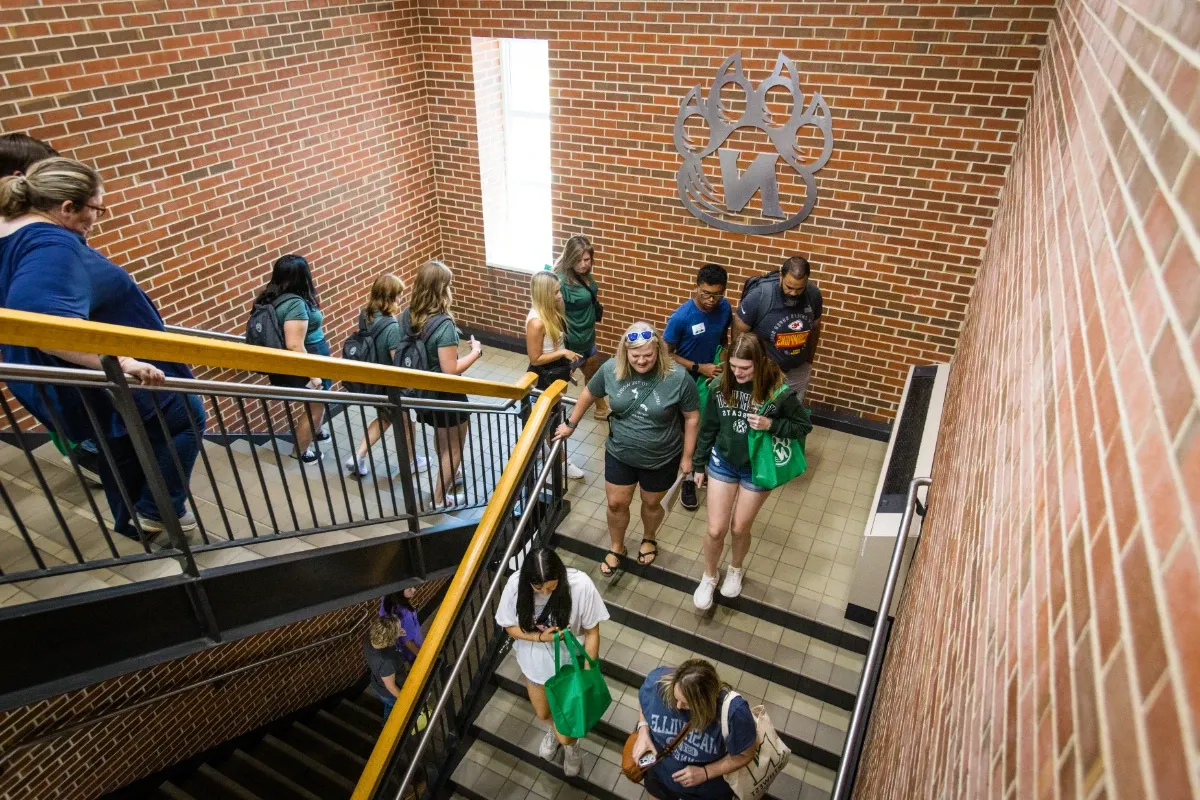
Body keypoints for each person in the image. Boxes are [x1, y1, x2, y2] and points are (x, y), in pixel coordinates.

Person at [0, 157, 203, 536]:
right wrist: (123, 360)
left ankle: (135, 521)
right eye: (97, 207)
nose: (97, 217)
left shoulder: (11, 230)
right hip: (95, 374)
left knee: (120, 441)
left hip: (67, 381)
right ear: (66, 208)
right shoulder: (51, 242)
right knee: (186, 416)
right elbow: (45, 325)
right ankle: (158, 511)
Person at [554, 322, 700, 575]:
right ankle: (616, 547)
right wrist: (571, 423)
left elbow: (692, 417)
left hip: (662, 456)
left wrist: (688, 457)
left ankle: (649, 537)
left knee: (652, 504)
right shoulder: (611, 369)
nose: (642, 362)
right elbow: (589, 392)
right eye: (635, 356)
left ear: (659, 351)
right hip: (620, 451)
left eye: (648, 356)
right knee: (616, 504)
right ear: (625, 352)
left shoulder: (677, 377)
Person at [0, 134, 103, 487]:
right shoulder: (41, 238)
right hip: (44, 364)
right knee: (79, 422)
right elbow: (43, 324)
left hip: (29, 365)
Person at [690, 334, 812, 609]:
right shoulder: (720, 386)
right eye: (733, 366)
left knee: (739, 527)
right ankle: (709, 576)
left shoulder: (777, 391)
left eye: (744, 368)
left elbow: (803, 426)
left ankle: (735, 568)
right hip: (723, 461)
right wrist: (699, 464)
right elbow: (708, 426)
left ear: (759, 363)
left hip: (756, 467)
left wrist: (771, 425)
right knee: (715, 529)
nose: (738, 373)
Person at [495, 547, 609, 778]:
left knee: (567, 725)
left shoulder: (581, 585)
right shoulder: (516, 585)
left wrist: (587, 675)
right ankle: (556, 733)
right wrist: (539, 637)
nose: (545, 592)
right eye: (538, 588)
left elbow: (592, 632)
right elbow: (508, 626)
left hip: (569, 666)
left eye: (551, 586)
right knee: (543, 712)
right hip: (534, 663)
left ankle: (570, 746)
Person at [401, 260, 482, 506]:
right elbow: (451, 370)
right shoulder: (444, 325)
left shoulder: (408, 314)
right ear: (441, 288)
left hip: (423, 393)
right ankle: (439, 498)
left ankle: (450, 475)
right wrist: (475, 352)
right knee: (455, 447)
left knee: (441, 438)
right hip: (447, 396)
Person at [630, 659, 757, 800]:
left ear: (704, 702)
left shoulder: (734, 714)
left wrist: (705, 772)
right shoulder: (656, 683)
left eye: (686, 703)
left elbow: (746, 755)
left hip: (705, 792)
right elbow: (644, 701)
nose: (678, 706)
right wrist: (643, 730)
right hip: (660, 778)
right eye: (675, 697)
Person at [343, 273, 429, 478]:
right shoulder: (392, 327)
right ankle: (410, 462)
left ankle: (358, 456)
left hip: (371, 380)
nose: (401, 299)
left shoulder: (365, 314)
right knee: (407, 421)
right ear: (390, 297)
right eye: (399, 295)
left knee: (384, 418)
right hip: (389, 385)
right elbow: (396, 359)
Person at [664, 264, 732, 511]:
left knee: (710, 426)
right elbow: (667, 354)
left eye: (717, 294)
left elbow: (723, 339)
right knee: (690, 429)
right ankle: (688, 478)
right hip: (686, 380)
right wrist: (698, 367)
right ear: (696, 286)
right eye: (706, 293)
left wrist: (721, 364)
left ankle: (703, 469)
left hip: (711, 377)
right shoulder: (682, 317)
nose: (712, 300)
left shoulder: (725, 308)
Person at [253, 254, 331, 463]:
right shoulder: (295, 303)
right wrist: (313, 375)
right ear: (301, 276)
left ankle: (317, 432)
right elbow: (295, 344)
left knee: (316, 404)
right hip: (309, 361)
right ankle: (301, 451)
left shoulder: (271, 296)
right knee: (316, 406)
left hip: (302, 360)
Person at [731, 255, 823, 403]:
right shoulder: (760, 296)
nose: (793, 293)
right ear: (781, 277)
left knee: (791, 419)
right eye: (789, 287)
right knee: (759, 418)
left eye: (799, 288)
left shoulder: (814, 294)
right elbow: (739, 330)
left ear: (807, 281)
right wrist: (740, 366)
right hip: (764, 371)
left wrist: (808, 362)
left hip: (797, 371)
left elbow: (815, 327)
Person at [525, 271, 586, 481]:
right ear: (544, 294)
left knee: (550, 418)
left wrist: (566, 365)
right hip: (543, 377)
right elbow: (534, 359)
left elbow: (556, 343)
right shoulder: (536, 322)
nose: (560, 295)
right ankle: (560, 462)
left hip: (556, 371)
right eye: (556, 292)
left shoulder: (552, 311)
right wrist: (562, 354)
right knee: (552, 421)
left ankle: (546, 450)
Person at [553, 235, 610, 421]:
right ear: (570, 259)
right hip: (571, 344)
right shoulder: (561, 282)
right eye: (578, 260)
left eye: (587, 259)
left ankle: (601, 408)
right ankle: (550, 416)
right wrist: (561, 348)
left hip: (588, 338)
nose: (584, 264)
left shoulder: (585, 275)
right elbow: (553, 314)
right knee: (559, 384)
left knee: (593, 375)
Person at [364, 614, 405, 719]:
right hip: (388, 693)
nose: (401, 629)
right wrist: (407, 702)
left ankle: (386, 722)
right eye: (398, 629)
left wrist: (396, 634)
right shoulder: (386, 661)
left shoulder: (369, 637)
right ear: (389, 637)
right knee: (393, 706)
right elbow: (391, 687)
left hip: (378, 685)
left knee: (388, 705)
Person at [381, 587, 425, 665]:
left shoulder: (387, 599)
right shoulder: (405, 614)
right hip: (414, 652)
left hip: (401, 648)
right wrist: (422, 658)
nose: (414, 590)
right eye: (410, 589)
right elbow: (408, 642)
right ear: (399, 593)